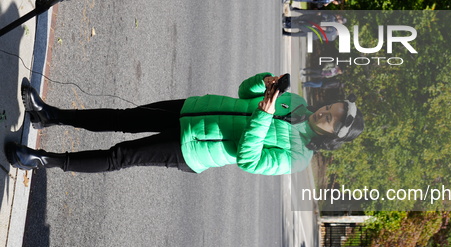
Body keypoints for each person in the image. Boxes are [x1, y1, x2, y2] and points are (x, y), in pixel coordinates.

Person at [4, 74, 364, 175]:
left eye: (332, 120)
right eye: (331, 107)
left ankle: (43, 160)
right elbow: (243, 92)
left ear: (332, 136)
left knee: (121, 156)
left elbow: (249, 159)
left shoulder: (297, 157)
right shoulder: (297, 102)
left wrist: (264, 116)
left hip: (192, 149)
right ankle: (48, 114)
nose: (326, 113)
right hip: (194, 109)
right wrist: (263, 84)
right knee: (121, 118)